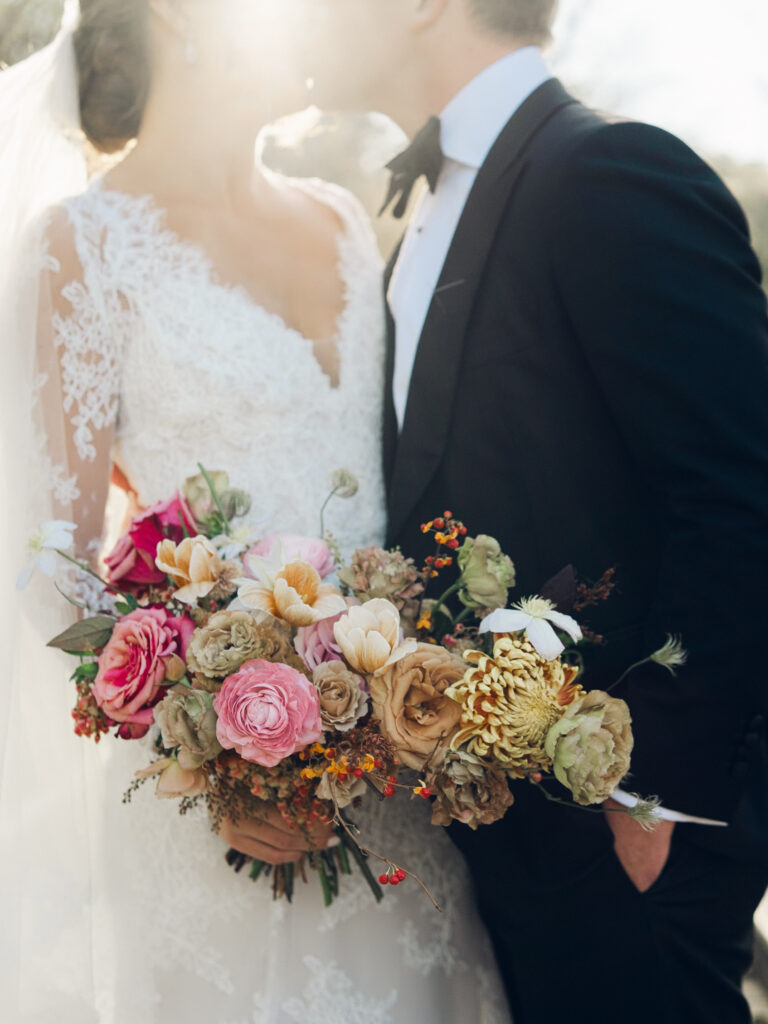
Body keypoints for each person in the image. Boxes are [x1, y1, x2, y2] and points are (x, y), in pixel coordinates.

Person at [0, 1, 511, 1021]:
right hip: (220, 813)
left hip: (391, 779)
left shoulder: (337, 218)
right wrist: (206, 745)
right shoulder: (81, 244)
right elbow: (47, 560)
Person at [299, 0, 768, 1022]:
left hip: (619, 861)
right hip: (482, 859)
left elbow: (741, 499)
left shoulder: (609, 175)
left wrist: (654, 800)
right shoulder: (417, 218)